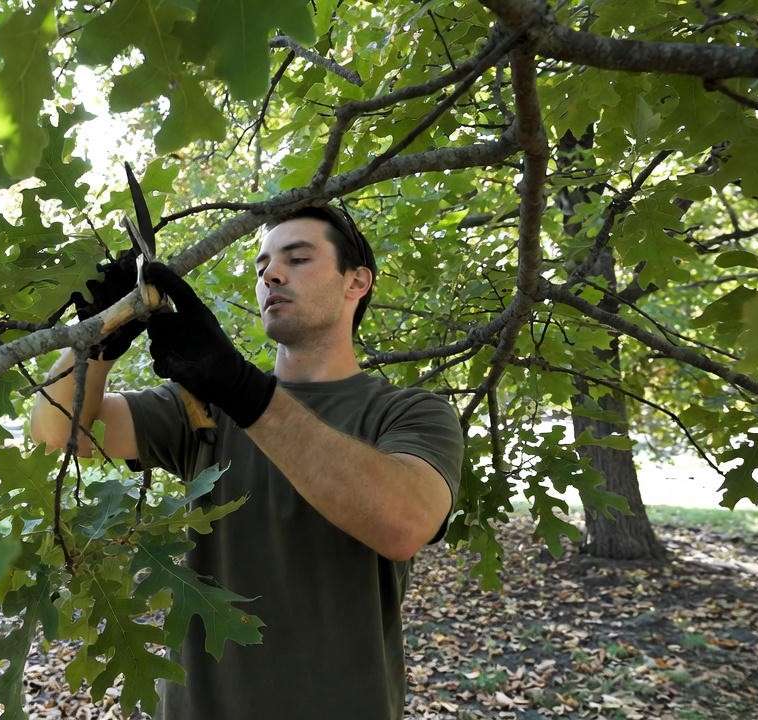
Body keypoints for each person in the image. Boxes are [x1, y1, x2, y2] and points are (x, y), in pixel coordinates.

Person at [28, 205, 464, 720]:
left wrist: (244, 390)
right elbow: (58, 431)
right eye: (261, 267)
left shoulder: (410, 412)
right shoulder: (202, 406)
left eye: (298, 259)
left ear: (357, 282)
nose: (271, 274)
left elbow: (404, 522)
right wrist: (99, 337)